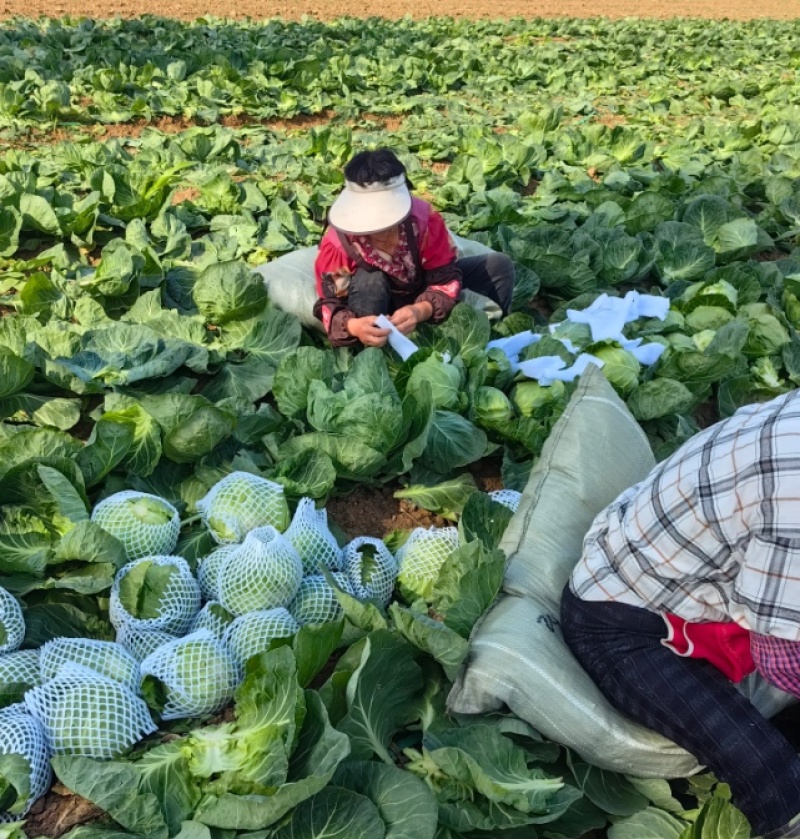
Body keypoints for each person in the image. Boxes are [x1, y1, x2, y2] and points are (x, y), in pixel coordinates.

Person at [561, 388, 800, 839]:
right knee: (774, 778)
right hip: (623, 625)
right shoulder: (797, 502)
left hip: (696, 594)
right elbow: (779, 660)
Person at [313, 148, 515, 348]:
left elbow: (445, 277)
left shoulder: (424, 223)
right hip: (371, 310)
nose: (381, 229)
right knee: (371, 281)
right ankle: (374, 355)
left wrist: (420, 311)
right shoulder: (339, 244)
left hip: (422, 294)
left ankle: (487, 342)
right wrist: (354, 326)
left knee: (499, 266)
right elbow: (332, 302)